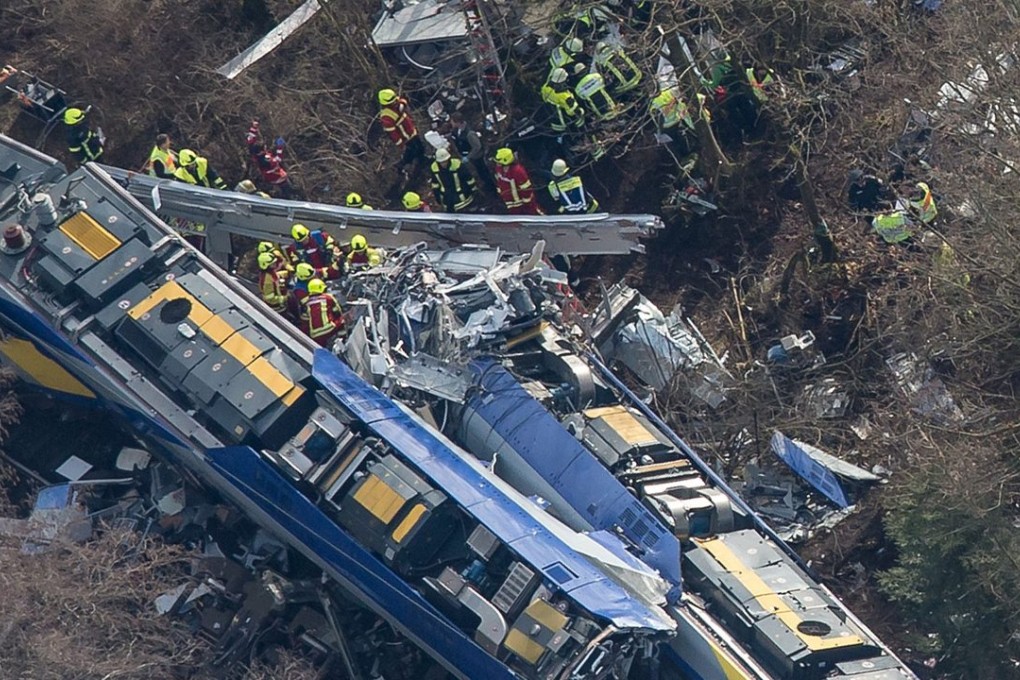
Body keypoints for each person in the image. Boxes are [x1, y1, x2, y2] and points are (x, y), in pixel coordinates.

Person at [378, 88, 427, 170]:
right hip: (405, 137)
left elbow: (402, 100)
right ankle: (402, 167)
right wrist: (401, 144)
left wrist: (402, 104)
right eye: (393, 102)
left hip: (411, 131)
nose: (395, 102)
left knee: (420, 147)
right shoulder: (386, 117)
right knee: (411, 152)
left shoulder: (395, 102)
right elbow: (393, 134)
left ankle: (421, 160)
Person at [245, 120, 294, 198]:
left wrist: (254, 127)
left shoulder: (253, 151)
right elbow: (278, 159)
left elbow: (250, 139)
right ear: (261, 151)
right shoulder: (265, 160)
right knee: (287, 195)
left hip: (274, 178)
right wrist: (280, 148)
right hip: (277, 179)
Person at [450, 111, 495, 190]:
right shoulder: (458, 130)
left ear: (457, 122)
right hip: (468, 155)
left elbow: (477, 146)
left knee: (483, 171)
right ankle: (485, 183)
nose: (451, 123)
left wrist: (468, 156)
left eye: (452, 121)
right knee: (479, 171)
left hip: (477, 157)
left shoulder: (469, 133)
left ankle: (491, 187)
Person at [493, 148, 542, 215]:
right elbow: (499, 182)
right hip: (509, 203)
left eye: (499, 162)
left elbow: (526, 189)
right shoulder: (499, 169)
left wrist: (527, 203)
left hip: (521, 203)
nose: (497, 163)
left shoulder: (518, 171)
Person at [429, 148, 477, 212]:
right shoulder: (434, 168)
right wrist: (438, 197)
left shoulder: (457, 165)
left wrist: (473, 190)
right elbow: (435, 184)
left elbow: (468, 178)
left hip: (462, 196)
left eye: (445, 161)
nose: (444, 164)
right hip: (447, 198)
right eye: (442, 162)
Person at [304, 278, 346, 348]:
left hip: (314, 334)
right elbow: (338, 311)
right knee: (342, 319)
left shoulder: (307, 302)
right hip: (328, 329)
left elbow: (306, 319)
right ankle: (343, 342)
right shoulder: (328, 298)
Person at [542, 68, 586, 134]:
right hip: (564, 123)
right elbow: (572, 112)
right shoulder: (565, 96)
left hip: (553, 122)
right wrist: (582, 111)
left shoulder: (545, 87)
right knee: (580, 120)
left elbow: (544, 99)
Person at [287, 262, 317, 331]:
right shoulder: (299, 290)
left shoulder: (307, 274)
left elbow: (321, 272)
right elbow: (308, 303)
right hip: (306, 313)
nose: (313, 278)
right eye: (310, 277)